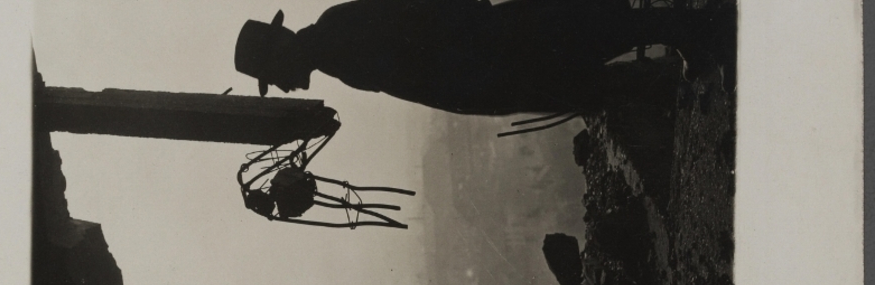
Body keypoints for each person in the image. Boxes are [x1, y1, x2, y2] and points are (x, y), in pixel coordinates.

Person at [235, 0, 734, 116]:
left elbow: (417, 24)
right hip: (485, 63)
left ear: (281, 51)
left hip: (488, 51)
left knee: (590, 36)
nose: (284, 87)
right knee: (586, 44)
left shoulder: (336, 32)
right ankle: (694, 34)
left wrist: (483, 68)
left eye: (275, 77)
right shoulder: (331, 49)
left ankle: (704, 29)